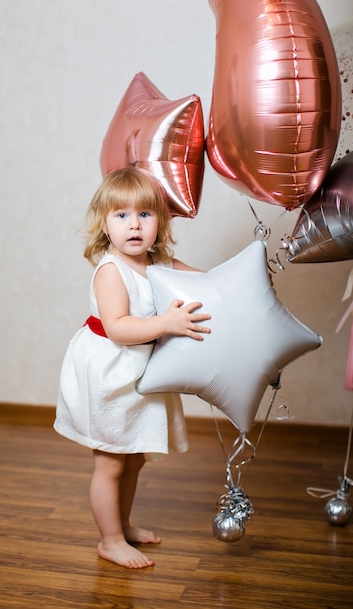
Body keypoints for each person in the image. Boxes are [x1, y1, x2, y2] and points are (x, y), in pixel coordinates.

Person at [54, 167, 211, 569]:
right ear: (105, 225)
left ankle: (121, 525)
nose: (134, 225)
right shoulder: (111, 271)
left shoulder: (159, 260)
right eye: (121, 216)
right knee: (109, 460)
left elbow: (206, 283)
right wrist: (167, 324)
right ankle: (109, 540)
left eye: (145, 214)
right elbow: (120, 328)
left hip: (140, 373)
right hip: (109, 372)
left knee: (134, 456)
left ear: (161, 221)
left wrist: (237, 282)